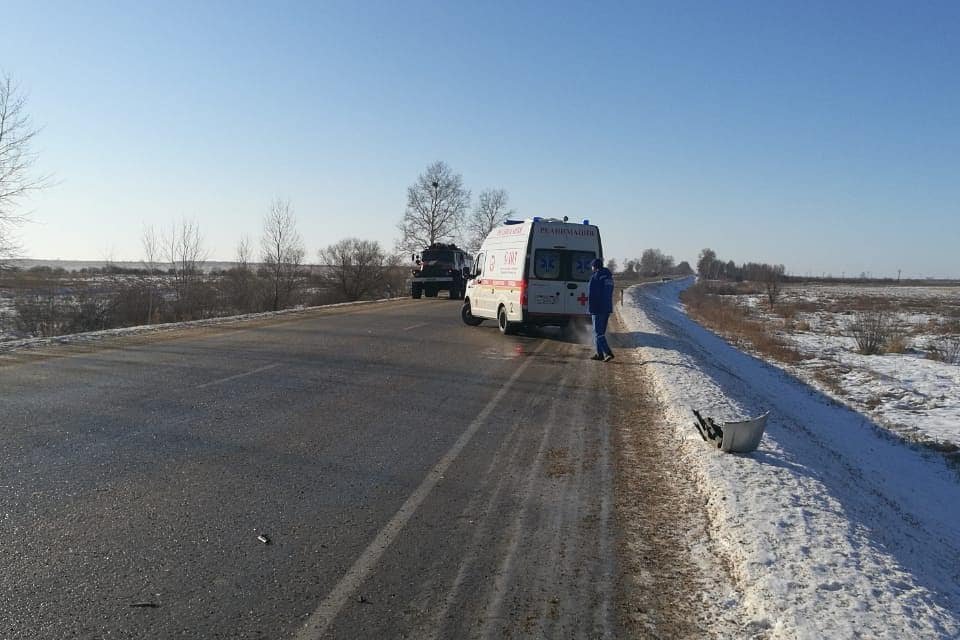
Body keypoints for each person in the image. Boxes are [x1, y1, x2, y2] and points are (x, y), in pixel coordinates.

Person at [588, 258, 615, 362]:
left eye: (592, 266)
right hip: (607, 308)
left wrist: (591, 308)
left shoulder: (595, 277)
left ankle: (607, 353)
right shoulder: (609, 277)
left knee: (598, 333)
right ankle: (599, 354)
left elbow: (592, 294)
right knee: (600, 332)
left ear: (594, 267)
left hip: (597, 308)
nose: (592, 268)